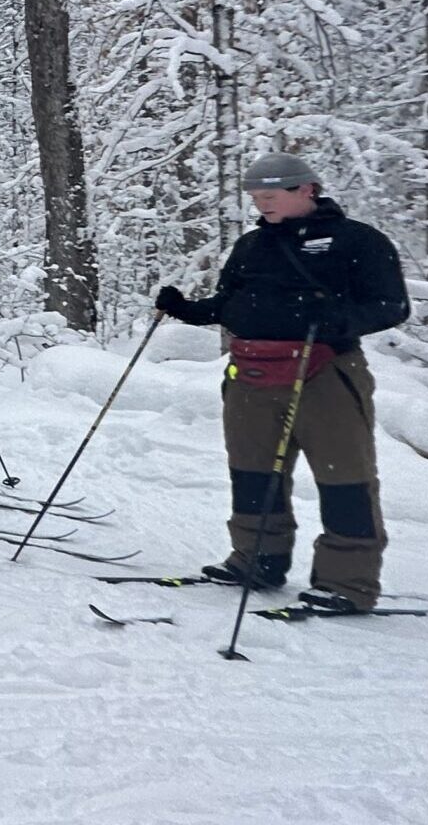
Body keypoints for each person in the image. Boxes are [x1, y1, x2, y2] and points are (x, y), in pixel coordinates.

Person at [154, 152, 409, 612]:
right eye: (255, 197)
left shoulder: (357, 241)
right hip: (251, 374)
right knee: (252, 473)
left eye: (269, 196)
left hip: (325, 371)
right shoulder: (253, 245)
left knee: (344, 478)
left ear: (305, 190)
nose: (260, 205)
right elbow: (233, 303)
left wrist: (336, 317)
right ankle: (257, 560)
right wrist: (188, 310)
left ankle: (347, 582)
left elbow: (391, 306)